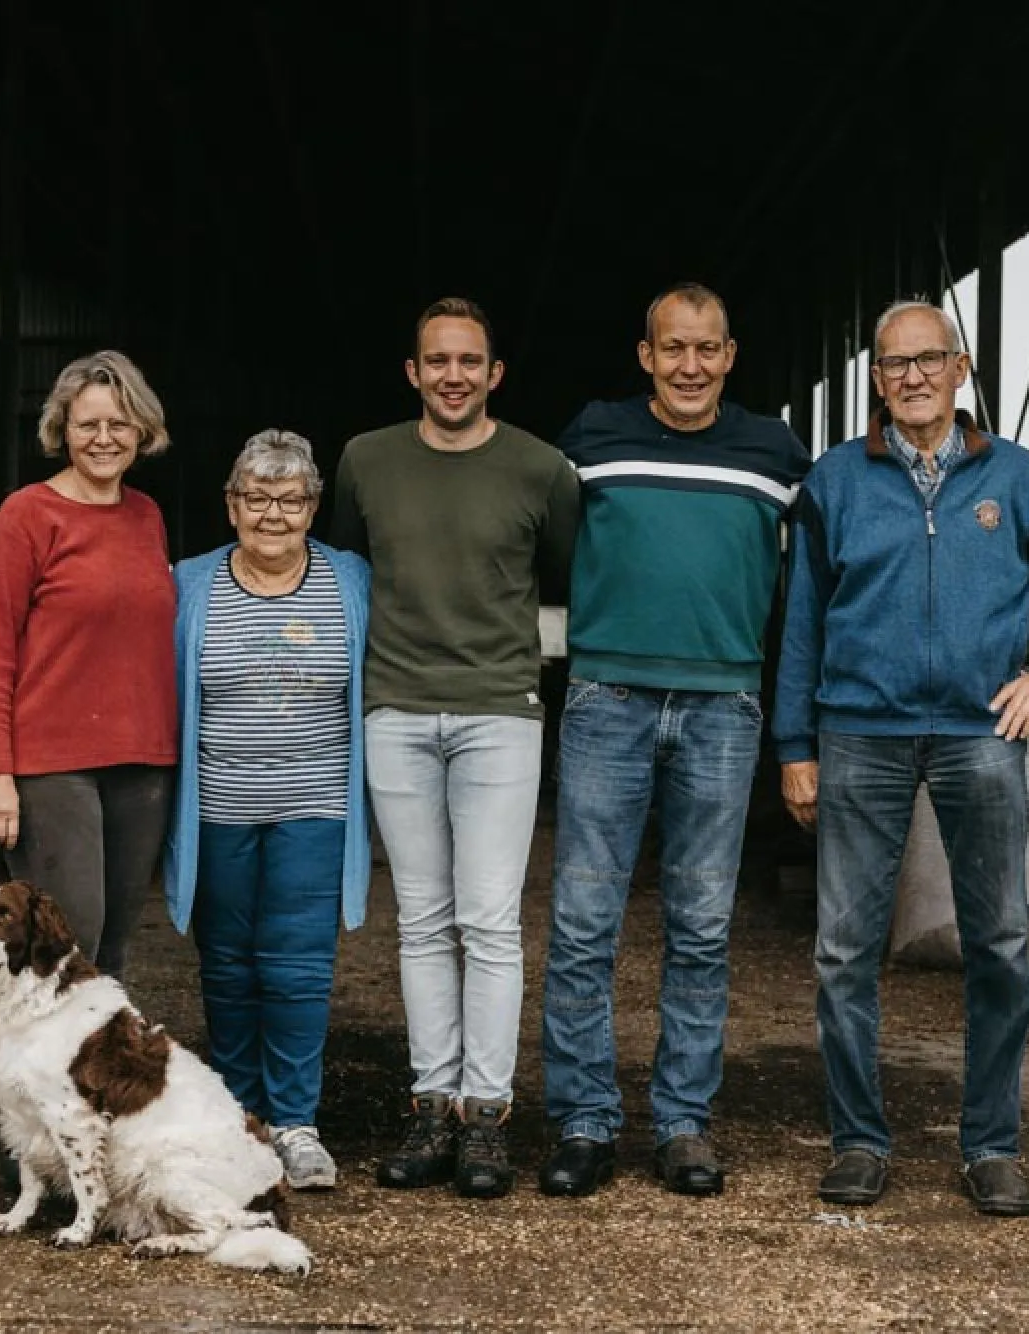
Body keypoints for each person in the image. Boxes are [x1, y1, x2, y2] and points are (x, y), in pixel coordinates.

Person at [772, 299, 1029, 1217]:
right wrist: (795, 746)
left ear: (961, 368)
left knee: (1001, 945)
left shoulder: (1016, 478)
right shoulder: (835, 483)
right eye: (894, 365)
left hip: (981, 734)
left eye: (928, 360)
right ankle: (858, 1140)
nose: (912, 378)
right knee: (844, 951)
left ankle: (992, 1144)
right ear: (878, 381)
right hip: (860, 734)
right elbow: (801, 621)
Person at [538, 282, 809, 1200]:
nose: (690, 365)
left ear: (730, 356)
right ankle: (582, 1119)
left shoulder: (773, 450)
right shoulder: (592, 438)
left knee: (701, 925)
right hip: (606, 697)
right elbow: (553, 546)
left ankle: (684, 1123)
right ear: (645, 355)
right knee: (583, 921)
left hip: (722, 706)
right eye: (672, 349)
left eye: (708, 349)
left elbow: (808, 577)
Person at [328, 297, 578, 1199]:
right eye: (437, 361)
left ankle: (487, 1117)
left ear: (494, 373)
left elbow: (562, 570)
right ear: (413, 372)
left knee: (491, 918)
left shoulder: (542, 469)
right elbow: (351, 568)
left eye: (470, 361)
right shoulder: (365, 460)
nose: (453, 375)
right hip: (395, 709)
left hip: (498, 711)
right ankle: (430, 1104)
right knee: (424, 921)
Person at [162, 429, 371, 1191]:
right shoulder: (189, 583)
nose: (273, 514)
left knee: (296, 968)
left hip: (316, 808)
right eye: (258, 497)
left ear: (314, 506)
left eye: (290, 499)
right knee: (226, 966)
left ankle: (295, 1122)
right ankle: (238, 1119)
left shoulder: (352, 582)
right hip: (217, 808)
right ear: (231, 504)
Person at [0, 350, 177, 978]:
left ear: (141, 429)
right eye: (88, 424)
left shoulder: (147, 517)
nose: (104, 438)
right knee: (64, 940)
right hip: (54, 764)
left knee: (111, 946)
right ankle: (37, 1071)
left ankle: (89, 1071)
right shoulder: (24, 518)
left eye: (119, 423)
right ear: (63, 429)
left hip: (142, 765)